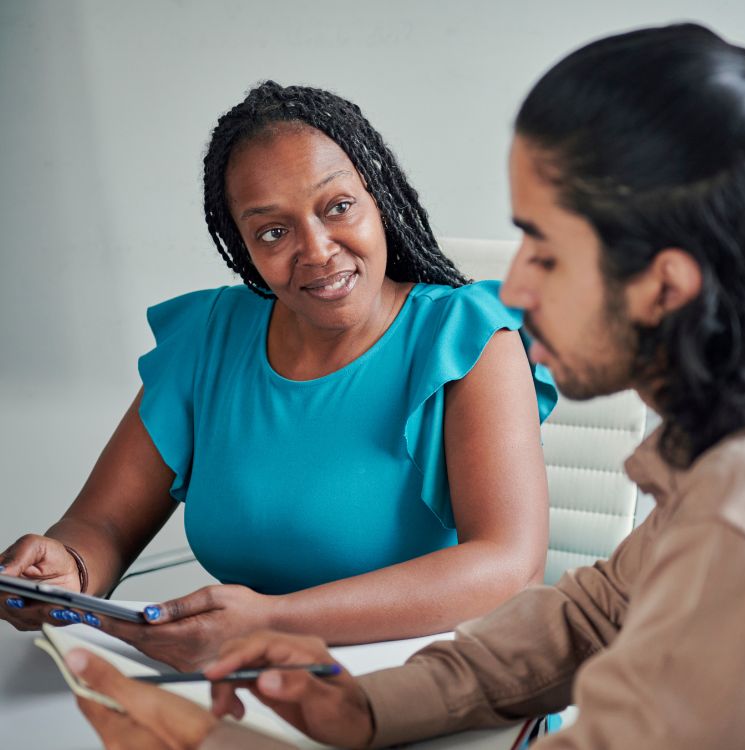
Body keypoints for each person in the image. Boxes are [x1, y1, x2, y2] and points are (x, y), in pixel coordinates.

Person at [65, 18, 745, 749]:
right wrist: (369, 708)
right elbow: (596, 612)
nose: (518, 286)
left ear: (664, 282)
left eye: (544, 248)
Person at [0, 82, 556, 670]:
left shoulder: (466, 338)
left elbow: (509, 566)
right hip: (242, 689)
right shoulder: (209, 339)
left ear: (379, 199)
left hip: (426, 687)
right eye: (273, 231)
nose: (316, 251)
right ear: (243, 247)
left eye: (338, 207)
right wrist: (69, 568)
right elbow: (104, 523)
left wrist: (272, 623)